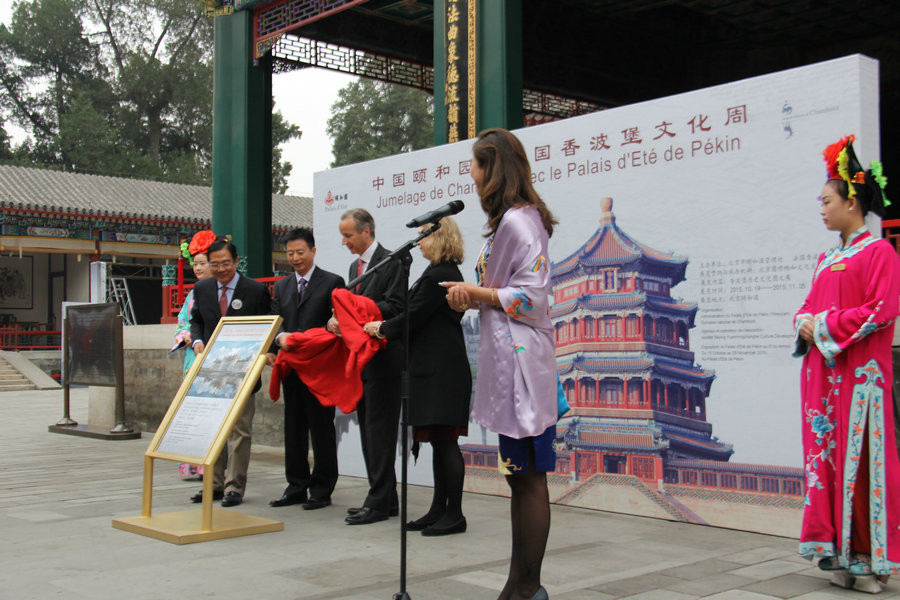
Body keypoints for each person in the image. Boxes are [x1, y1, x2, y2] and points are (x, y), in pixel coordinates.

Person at [443, 128, 558, 600]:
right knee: (520, 478)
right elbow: (505, 291)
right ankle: (518, 585)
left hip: (522, 368)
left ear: (492, 168)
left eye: (474, 165)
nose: (471, 175)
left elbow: (532, 298)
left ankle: (526, 588)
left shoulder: (518, 222)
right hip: (513, 362)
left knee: (528, 480)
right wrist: (475, 297)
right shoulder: (516, 220)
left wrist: (476, 293)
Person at [794, 135, 900, 593]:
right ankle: (835, 553)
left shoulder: (879, 252)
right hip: (823, 378)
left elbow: (882, 309)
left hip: (861, 379)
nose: (821, 209)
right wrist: (803, 321)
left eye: (826, 201)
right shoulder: (827, 258)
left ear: (851, 202)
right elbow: (808, 306)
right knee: (827, 462)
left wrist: (820, 325)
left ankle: (868, 560)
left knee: (864, 465)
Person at [362, 217, 472, 536]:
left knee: (446, 442)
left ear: (439, 238)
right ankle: (439, 510)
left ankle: (454, 513)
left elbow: (413, 315)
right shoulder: (436, 272)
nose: (419, 241)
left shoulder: (440, 274)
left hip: (443, 372)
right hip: (433, 369)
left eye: (424, 235)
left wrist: (382, 328)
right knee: (438, 441)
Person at [328, 208, 405, 525]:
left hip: (385, 361)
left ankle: (377, 503)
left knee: (379, 433)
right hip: (362, 361)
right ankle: (387, 499)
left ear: (366, 232)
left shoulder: (392, 261)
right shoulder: (354, 267)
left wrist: (355, 316)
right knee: (370, 433)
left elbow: (395, 306)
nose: (344, 241)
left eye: (348, 235)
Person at [188, 236, 272, 508]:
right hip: (212, 374)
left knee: (239, 432)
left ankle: (234, 487)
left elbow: (268, 326)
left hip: (242, 373)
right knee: (211, 430)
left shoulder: (255, 291)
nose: (221, 269)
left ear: (236, 262)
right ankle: (212, 484)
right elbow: (196, 320)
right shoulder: (202, 288)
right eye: (215, 264)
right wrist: (197, 340)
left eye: (226, 263)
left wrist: (268, 353)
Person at [266, 228, 344, 510]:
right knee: (294, 428)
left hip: (320, 368)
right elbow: (276, 321)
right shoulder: (282, 285)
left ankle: (322, 489)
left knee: (321, 428)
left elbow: (338, 322)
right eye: (290, 254)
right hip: (291, 367)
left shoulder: (332, 282)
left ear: (313, 251)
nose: (295, 258)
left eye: (300, 252)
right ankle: (296, 486)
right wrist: (277, 342)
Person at [173, 229, 216, 479]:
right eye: (195, 264)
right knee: (191, 413)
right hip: (193, 358)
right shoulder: (192, 294)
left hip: (212, 360)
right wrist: (185, 334)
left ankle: (209, 465)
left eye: (202, 263)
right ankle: (192, 463)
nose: (198, 268)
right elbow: (182, 321)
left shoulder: (216, 291)